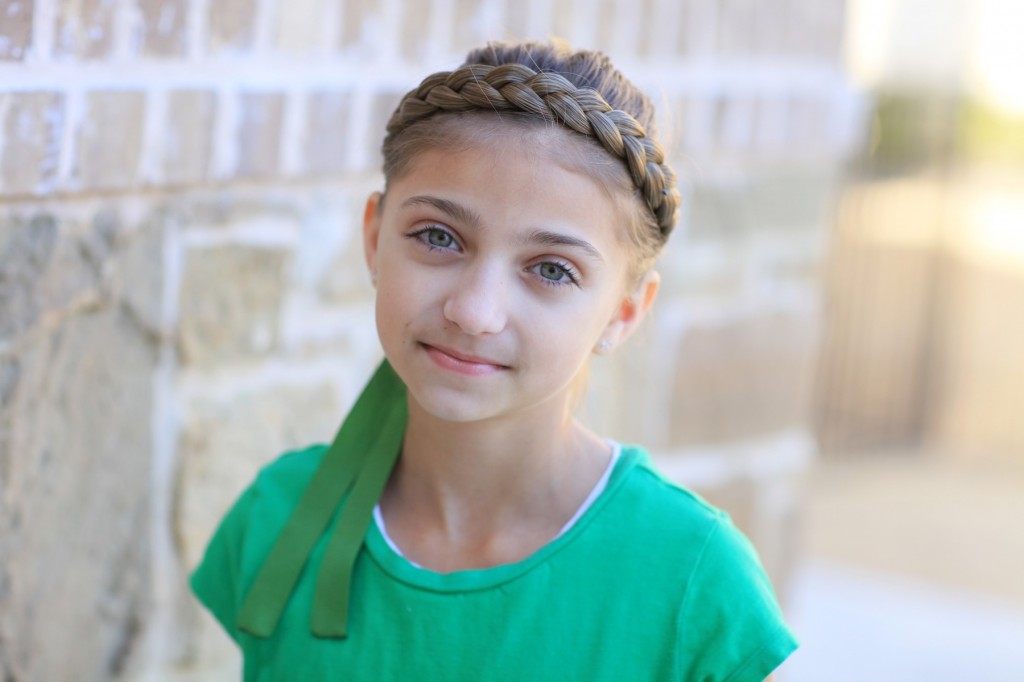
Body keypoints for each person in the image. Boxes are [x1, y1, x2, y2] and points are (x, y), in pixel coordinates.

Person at [190, 40, 798, 681]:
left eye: (552, 270)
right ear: (374, 239)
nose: (475, 311)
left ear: (624, 313)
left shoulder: (692, 583)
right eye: (438, 236)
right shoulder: (279, 517)